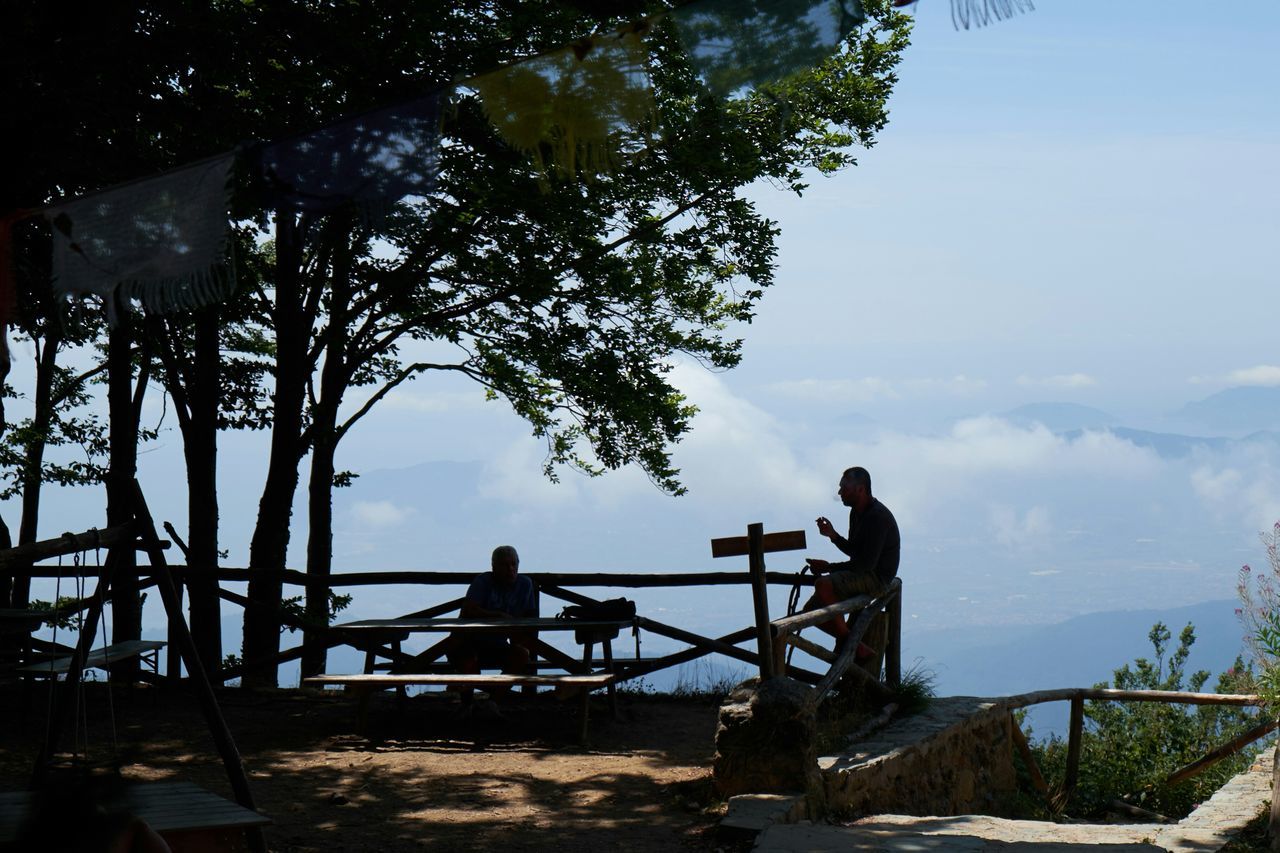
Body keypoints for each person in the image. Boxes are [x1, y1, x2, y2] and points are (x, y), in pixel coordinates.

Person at [804, 466, 900, 660]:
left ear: (860, 489)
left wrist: (828, 568)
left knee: (823, 584)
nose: (839, 492)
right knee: (810, 612)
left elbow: (865, 565)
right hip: (865, 571)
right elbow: (855, 552)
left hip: (877, 578)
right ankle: (853, 641)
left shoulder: (877, 517)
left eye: (844, 488)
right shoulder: (857, 513)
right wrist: (833, 535)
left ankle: (849, 643)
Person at [447, 545, 539, 716]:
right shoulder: (483, 582)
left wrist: (518, 636)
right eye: (505, 565)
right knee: (467, 659)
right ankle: (467, 705)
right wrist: (497, 615)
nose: (510, 569)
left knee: (521, 655)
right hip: (468, 642)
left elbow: (529, 617)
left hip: (497, 645)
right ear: (494, 567)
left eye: (513, 565)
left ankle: (492, 702)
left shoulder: (525, 584)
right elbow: (469, 610)